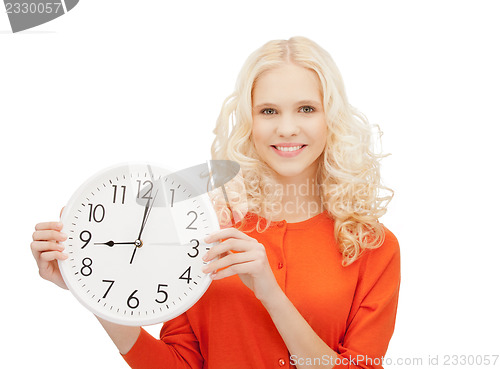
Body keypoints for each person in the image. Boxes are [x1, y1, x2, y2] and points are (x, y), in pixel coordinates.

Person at [31, 36, 400, 369]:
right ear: (249, 122)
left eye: (306, 109)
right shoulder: (206, 230)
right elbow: (178, 365)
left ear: (331, 119)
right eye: (268, 111)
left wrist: (270, 294)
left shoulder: (371, 246)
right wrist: (88, 288)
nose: (287, 128)